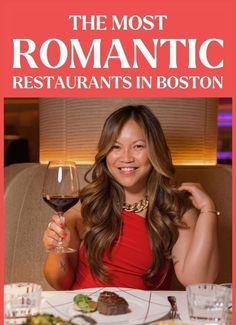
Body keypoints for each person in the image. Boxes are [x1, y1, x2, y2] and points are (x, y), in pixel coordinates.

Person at [43, 105, 219, 290]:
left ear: (154, 151)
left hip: (147, 317)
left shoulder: (176, 209)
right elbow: (59, 283)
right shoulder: (86, 207)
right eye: (116, 147)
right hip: (83, 312)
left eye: (138, 146)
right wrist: (56, 251)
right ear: (105, 154)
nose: (126, 158)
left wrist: (208, 209)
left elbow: (198, 282)